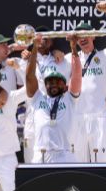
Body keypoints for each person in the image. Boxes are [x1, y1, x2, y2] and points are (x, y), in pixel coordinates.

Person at [65, 1, 106, 162]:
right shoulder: (69, 59)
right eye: (79, 36)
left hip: (98, 117)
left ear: (93, 35)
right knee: (76, 165)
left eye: (86, 34)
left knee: (99, 165)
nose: (83, 39)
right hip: (76, 118)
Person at [25, 33, 82, 163]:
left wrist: (73, 48)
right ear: (45, 85)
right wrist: (34, 46)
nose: (53, 84)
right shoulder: (37, 98)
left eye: (58, 81)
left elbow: (77, 75)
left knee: (70, 184)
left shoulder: (70, 98)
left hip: (65, 154)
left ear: (65, 85)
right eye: (50, 81)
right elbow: (29, 77)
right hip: (41, 155)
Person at [19, 27, 70, 163]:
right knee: (31, 167)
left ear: (52, 42)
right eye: (39, 38)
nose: (42, 41)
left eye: (46, 38)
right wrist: (30, 54)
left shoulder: (61, 60)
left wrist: (57, 53)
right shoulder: (25, 59)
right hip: (33, 116)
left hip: (56, 118)